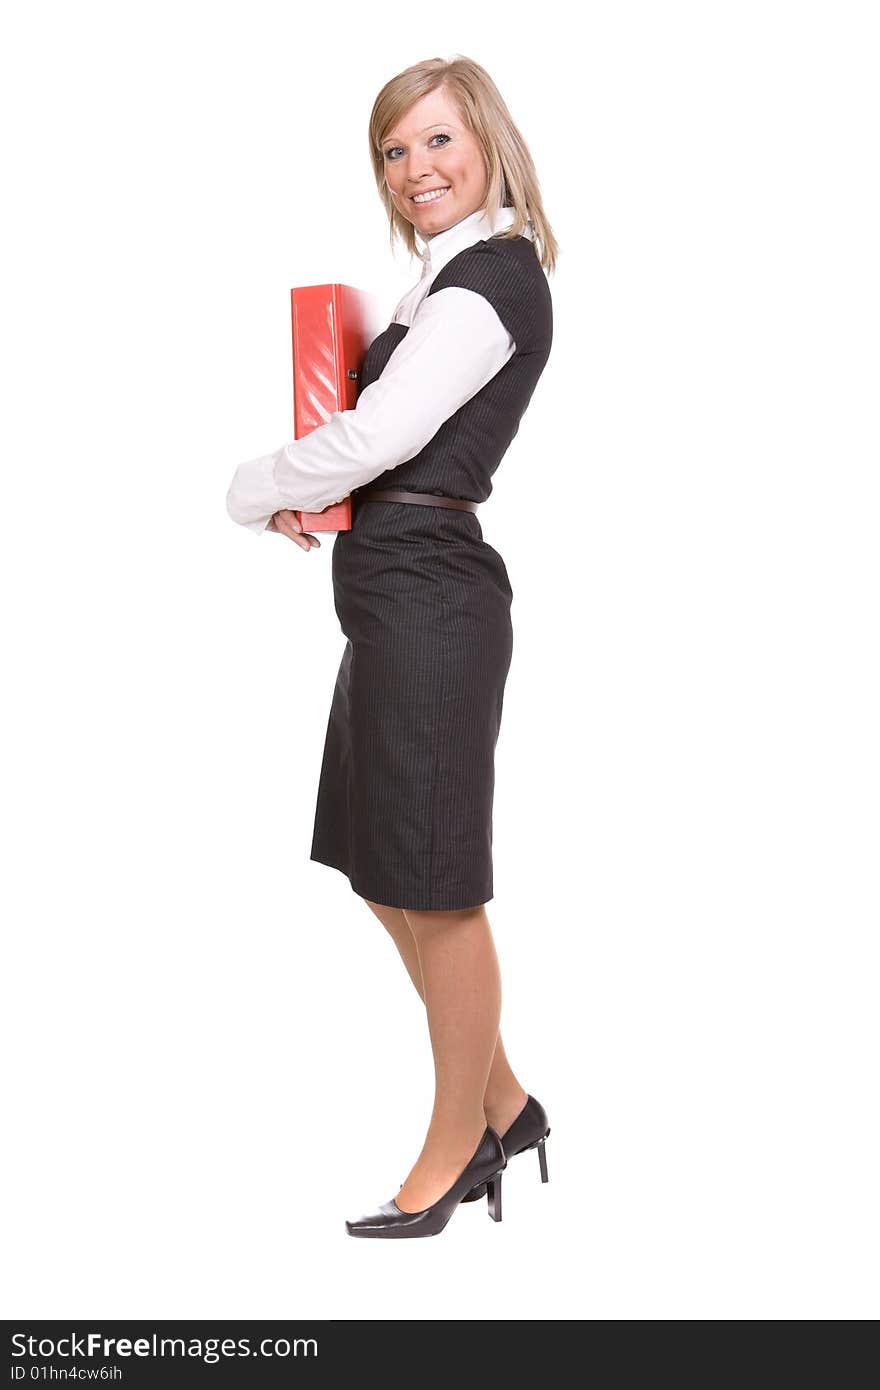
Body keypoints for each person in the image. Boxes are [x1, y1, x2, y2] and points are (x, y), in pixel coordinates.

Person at [226, 55, 558, 1239]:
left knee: (438, 884)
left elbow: (384, 430)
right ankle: (507, 1101)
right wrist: (317, 502)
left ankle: (457, 1141)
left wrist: (252, 485)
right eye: (393, 149)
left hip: (429, 601)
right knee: (383, 865)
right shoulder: (441, 284)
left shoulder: (490, 281)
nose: (414, 168)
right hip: (391, 593)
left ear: (486, 143)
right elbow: (376, 449)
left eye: (435, 142)